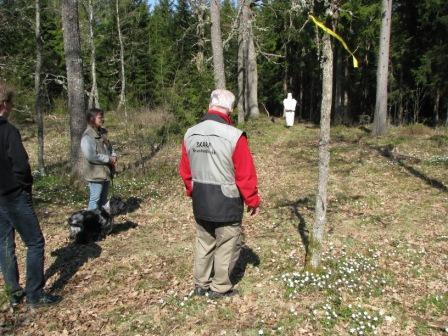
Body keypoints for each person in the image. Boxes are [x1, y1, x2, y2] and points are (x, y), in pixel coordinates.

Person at [179, 89, 261, 298]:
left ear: (210, 105)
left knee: (204, 241)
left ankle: (200, 285)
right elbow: (245, 174)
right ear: (230, 109)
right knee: (227, 243)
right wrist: (252, 200)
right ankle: (219, 287)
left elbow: (185, 171)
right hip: (227, 201)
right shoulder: (234, 136)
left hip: (201, 199)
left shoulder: (190, 133)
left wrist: (193, 191)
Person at [0, 81, 61, 307]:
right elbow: (21, 166)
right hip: (14, 195)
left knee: (5, 243)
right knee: (34, 242)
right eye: (11, 103)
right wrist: (24, 187)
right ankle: (35, 294)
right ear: (5, 104)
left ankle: (13, 293)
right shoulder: (8, 131)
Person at [80, 108, 117, 211]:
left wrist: (113, 155)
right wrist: (108, 159)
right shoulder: (87, 136)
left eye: (102, 117)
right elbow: (91, 156)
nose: (102, 119)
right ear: (92, 119)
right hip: (95, 174)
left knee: (103, 201)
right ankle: (90, 223)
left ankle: (101, 223)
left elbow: (110, 148)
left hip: (105, 172)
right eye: (100, 117)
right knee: (95, 200)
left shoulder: (103, 132)